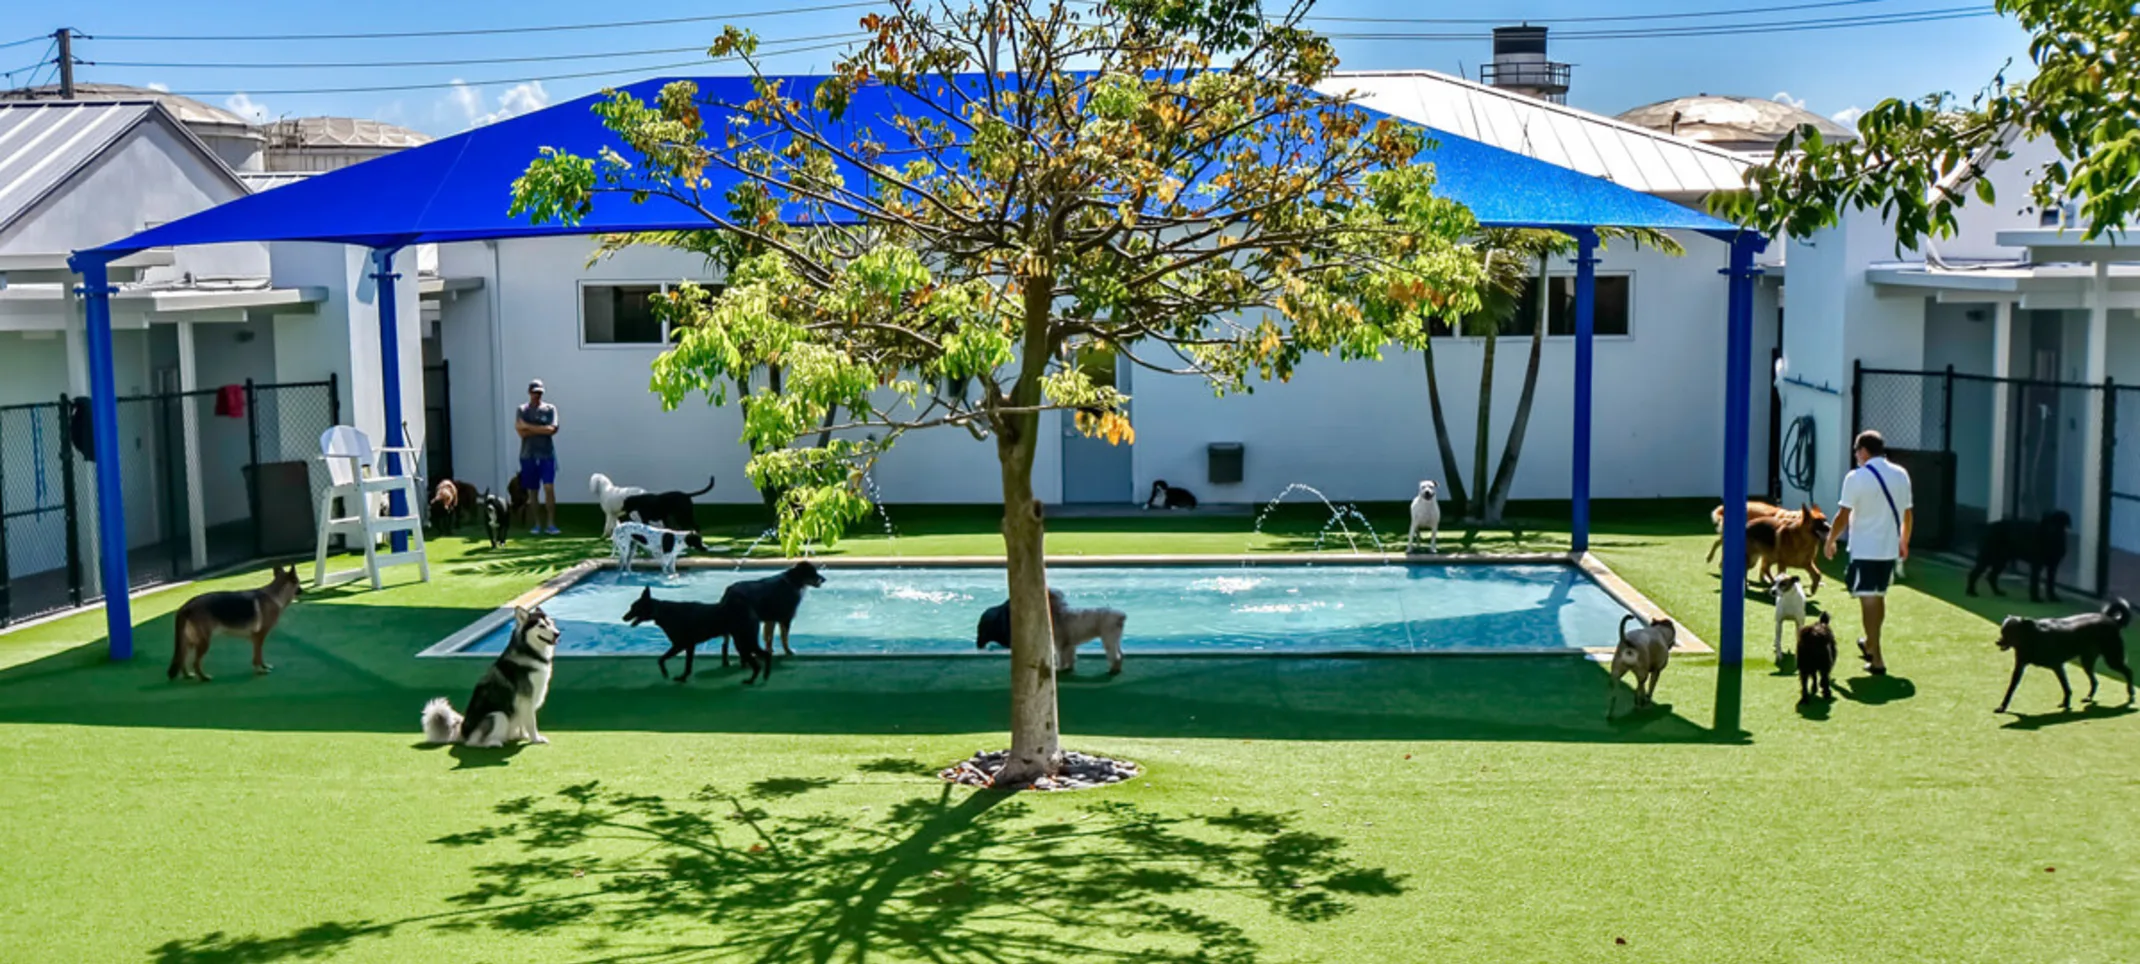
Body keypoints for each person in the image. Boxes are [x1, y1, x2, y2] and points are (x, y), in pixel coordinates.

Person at [1824, 430, 1912, 676]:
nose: (1855, 456)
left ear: (1863, 451)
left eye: (1855, 451)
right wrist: (1904, 540)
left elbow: (1843, 515)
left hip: (1865, 548)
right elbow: (1908, 513)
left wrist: (1830, 540)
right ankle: (1871, 644)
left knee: (1868, 600)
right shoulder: (1900, 474)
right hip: (1888, 549)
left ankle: (1876, 655)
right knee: (1878, 596)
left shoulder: (1856, 477)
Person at [515, 379, 561, 536]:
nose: (537, 395)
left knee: (549, 488)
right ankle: (537, 523)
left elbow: (552, 429)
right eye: (535, 392)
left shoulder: (550, 409)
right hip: (528, 455)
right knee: (532, 491)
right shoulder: (522, 410)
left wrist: (529, 426)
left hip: (547, 455)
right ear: (529, 392)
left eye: (540, 393)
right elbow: (521, 433)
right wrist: (540, 429)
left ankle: (551, 523)